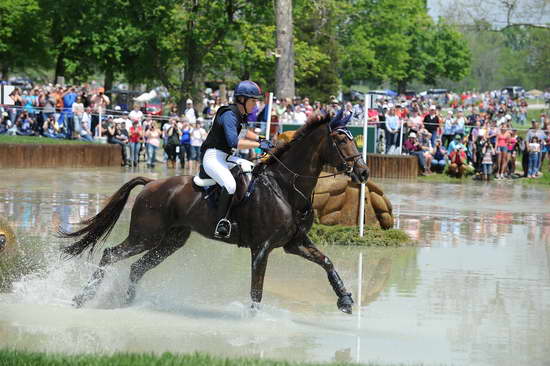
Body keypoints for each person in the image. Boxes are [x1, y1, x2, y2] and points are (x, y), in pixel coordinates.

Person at [200, 80, 273, 238]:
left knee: (250, 168)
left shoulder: (240, 115)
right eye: (253, 101)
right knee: (230, 185)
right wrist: (260, 145)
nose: (255, 105)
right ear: (242, 100)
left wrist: (261, 139)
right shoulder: (229, 115)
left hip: (225, 157)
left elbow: (245, 132)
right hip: (212, 157)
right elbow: (234, 142)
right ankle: (220, 222)